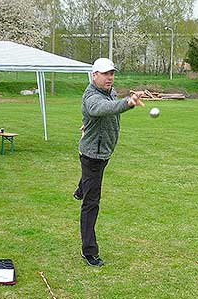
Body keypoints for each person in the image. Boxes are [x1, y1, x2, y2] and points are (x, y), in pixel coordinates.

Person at [75, 58, 145, 267]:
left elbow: (110, 107)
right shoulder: (92, 97)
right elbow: (101, 109)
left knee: (89, 184)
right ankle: (89, 251)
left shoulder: (110, 92)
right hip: (92, 156)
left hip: (103, 152)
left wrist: (127, 101)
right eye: (105, 74)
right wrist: (128, 103)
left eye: (112, 73)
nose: (110, 77)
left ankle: (81, 188)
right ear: (94, 75)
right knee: (91, 204)